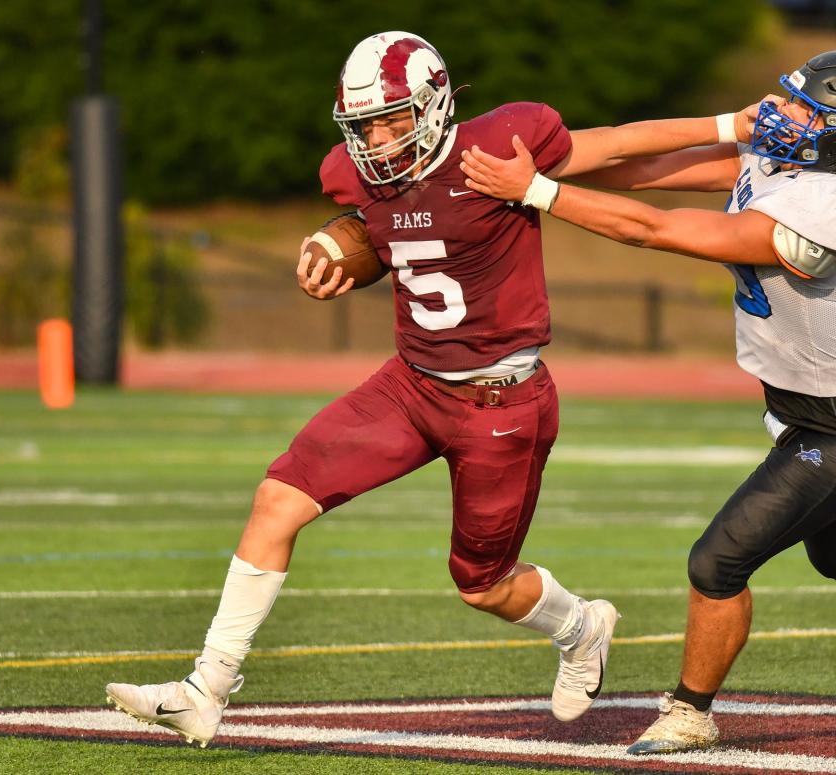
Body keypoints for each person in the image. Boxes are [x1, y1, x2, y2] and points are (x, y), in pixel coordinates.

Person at [104, 29, 637, 747]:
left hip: (500, 403)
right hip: (412, 384)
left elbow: (617, 146)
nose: (380, 140)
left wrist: (730, 132)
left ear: (435, 104)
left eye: (392, 120)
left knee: (481, 582)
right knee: (277, 498)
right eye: (365, 127)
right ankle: (206, 689)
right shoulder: (355, 175)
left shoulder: (498, 146)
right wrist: (339, 242)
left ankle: (581, 626)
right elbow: (385, 227)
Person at [461, 50, 836, 754]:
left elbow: (661, 229)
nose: (782, 113)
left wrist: (540, 194)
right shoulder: (796, 163)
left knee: (717, 562)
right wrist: (544, 168)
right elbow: (645, 170)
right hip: (822, 406)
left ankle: (690, 710)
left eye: (806, 111)